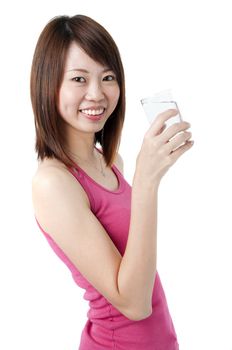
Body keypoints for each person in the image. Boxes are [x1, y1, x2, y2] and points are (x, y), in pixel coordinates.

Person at [31, 14, 194, 350]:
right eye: (79, 78)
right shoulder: (53, 182)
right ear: (49, 85)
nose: (97, 93)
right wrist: (147, 181)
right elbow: (134, 304)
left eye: (107, 77)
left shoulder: (109, 161)